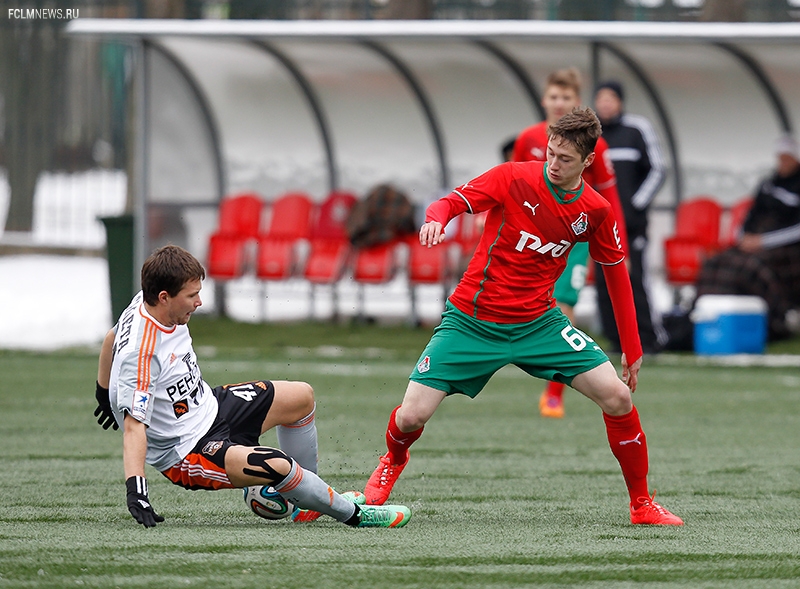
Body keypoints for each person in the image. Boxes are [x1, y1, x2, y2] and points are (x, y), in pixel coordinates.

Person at [363, 108, 683, 526]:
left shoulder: (596, 210)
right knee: (411, 416)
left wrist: (632, 346)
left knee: (619, 397)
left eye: (564, 159)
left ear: (587, 161)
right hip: (472, 321)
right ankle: (392, 460)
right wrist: (434, 220)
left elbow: (617, 273)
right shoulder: (513, 176)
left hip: (540, 324)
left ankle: (642, 505)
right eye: (550, 153)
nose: (552, 164)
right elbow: (451, 201)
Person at [93, 244, 411, 528]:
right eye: (191, 296)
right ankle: (354, 515)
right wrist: (137, 490)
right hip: (188, 452)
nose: (200, 302)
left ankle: (305, 504)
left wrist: (102, 390)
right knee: (278, 464)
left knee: (301, 396)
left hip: (211, 406)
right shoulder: (143, 351)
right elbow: (135, 429)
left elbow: (111, 337)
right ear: (164, 297)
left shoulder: (143, 302)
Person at [513, 67, 629, 419]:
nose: (559, 103)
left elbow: (609, 201)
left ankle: (553, 393)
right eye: (554, 97)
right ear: (544, 100)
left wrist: (618, 246)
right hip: (529, 238)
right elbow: (509, 186)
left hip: (573, 241)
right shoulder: (528, 139)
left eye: (566, 98)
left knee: (564, 304)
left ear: (576, 102)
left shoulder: (597, 147)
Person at [696, 135, 800, 339]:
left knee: (749, 267)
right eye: (780, 158)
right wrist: (743, 237)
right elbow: (750, 214)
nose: (783, 163)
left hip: (785, 248)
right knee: (716, 262)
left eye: (787, 158)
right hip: (754, 243)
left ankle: (774, 322)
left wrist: (764, 242)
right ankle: (707, 319)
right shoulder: (769, 184)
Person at [593, 80, 668, 355]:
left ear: (621, 101)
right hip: (600, 226)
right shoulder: (592, 135)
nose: (605, 104)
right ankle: (616, 340)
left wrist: (634, 205)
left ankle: (650, 338)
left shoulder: (637, 129)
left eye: (611, 98)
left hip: (632, 226)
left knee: (635, 280)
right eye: (601, 99)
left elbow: (658, 170)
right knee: (603, 283)